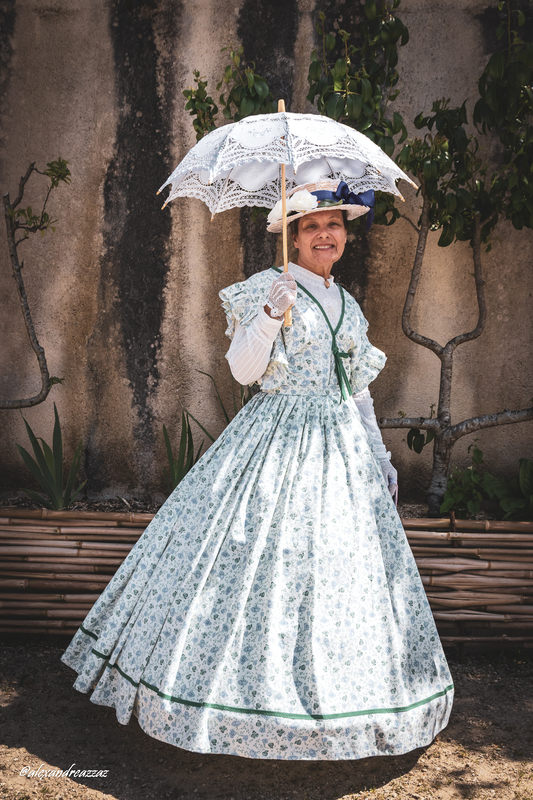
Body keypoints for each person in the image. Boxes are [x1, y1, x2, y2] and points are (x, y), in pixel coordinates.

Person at [62, 179, 453, 761]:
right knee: (258, 563)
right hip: (273, 441)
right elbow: (244, 372)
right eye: (312, 226)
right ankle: (231, 699)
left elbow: (359, 392)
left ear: (346, 235)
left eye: (334, 225)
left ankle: (335, 706)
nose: (325, 234)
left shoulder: (347, 304)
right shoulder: (267, 288)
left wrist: (380, 457)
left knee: (333, 573)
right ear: (293, 239)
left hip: (340, 451)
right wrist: (272, 313)